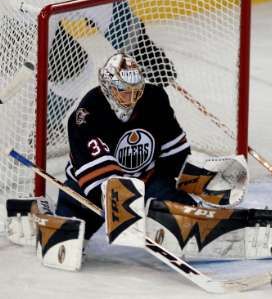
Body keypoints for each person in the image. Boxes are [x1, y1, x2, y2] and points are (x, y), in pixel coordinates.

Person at [55, 52, 193, 241]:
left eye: (136, 92)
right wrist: (122, 203)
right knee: (68, 233)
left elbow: (175, 155)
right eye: (124, 92)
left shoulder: (155, 99)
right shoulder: (87, 113)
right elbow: (99, 177)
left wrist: (194, 180)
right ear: (108, 87)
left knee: (186, 214)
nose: (131, 99)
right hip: (89, 190)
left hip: (146, 182)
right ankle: (65, 227)